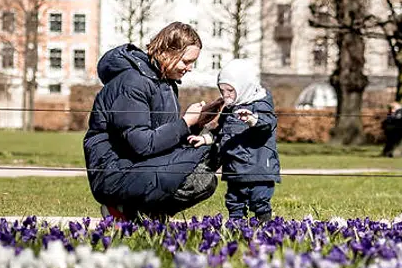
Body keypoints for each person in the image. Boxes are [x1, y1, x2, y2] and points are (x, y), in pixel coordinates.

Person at [84, 23, 221, 221]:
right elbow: (142, 144)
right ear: (167, 52)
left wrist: (197, 122)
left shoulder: (163, 83)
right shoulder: (132, 83)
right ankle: (123, 209)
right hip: (115, 172)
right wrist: (184, 123)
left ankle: (146, 214)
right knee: (198, 177)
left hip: (135, 165)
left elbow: (164, 138)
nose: (190, 68)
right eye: (186, 61)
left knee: (212, 154)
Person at [190, 58, 279, 222]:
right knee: (234, 202)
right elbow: (221, 131)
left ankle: (265, 226)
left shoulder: (260, 104)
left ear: (244, 86)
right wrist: (205, 138)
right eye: (222, 90)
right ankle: (236, 227)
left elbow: (267, 124)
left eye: (230, 90)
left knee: (259, 201)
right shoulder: (229, 109)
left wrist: (252, 120)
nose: (225, 95)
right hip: (234, 168)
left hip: (258, 169)